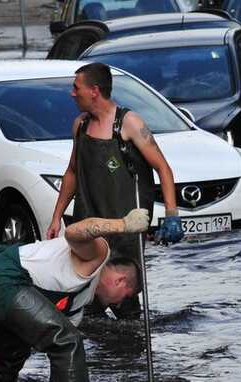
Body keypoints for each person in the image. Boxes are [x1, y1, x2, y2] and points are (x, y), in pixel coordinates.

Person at [46, 63, 183, 315]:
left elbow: (163, 168)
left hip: (125, 231)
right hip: (90, 227)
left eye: (77, 87)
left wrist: (172, 216)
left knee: (125, 304)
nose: (72, 93)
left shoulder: (129, 123)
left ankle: (130, 349)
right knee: (87, 304)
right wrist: (56, 217)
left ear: (94, 90)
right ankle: (97, 351)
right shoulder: (80, 125)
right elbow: (72, 172)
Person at [0, 208, 150, 382]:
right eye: (126, 297)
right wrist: (123, 224)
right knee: (67, 342)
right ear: (121, 280)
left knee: (12, 356)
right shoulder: (99, 254)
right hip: (1, 277)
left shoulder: (78, 305)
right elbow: (74, 231)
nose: (118, 305)